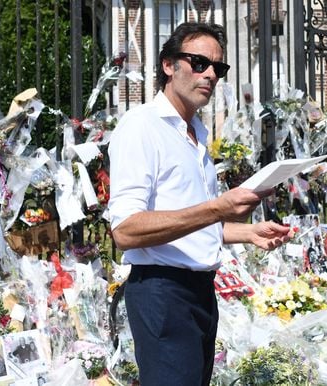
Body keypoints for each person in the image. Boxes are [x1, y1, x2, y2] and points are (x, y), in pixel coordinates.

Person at [107, 22, 291, 386]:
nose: (209, 74)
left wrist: (248, 232)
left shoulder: (196, 135)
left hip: (200, 292)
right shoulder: (142, 126)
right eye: (197, 62)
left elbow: (192, 223)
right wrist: (218, 209)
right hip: (162, 292)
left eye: (218, 68)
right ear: (168, 65)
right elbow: (125, 230)